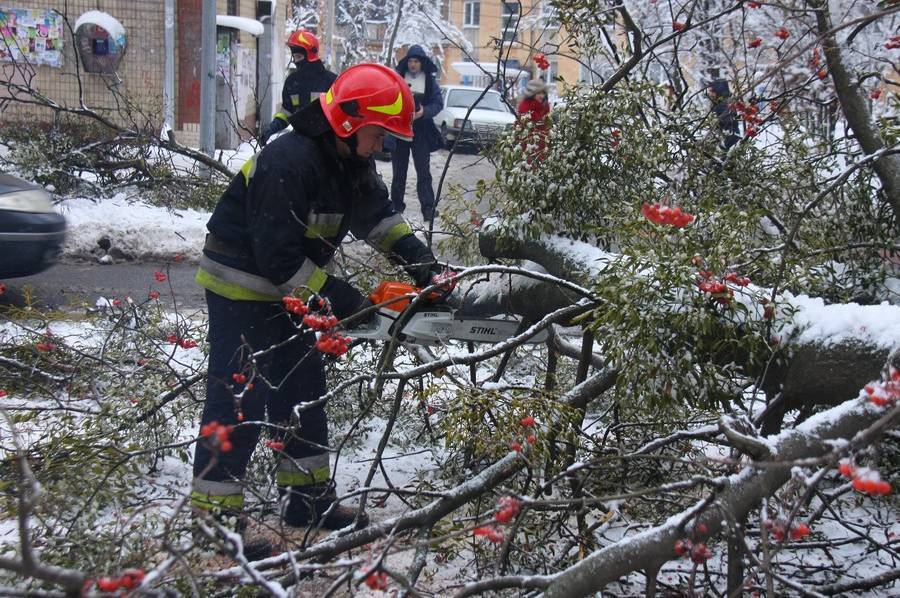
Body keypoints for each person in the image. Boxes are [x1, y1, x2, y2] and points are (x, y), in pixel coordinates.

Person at [191, 63, 445, 558]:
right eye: (380, 134)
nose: (384, 145)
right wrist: (347, 300)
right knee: (239, 399)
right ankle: (212, 520)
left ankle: (306, 500)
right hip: (243, 286)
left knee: (303, 390)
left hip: (287, 288)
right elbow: (278, 258)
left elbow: (378, 218)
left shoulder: (349, 160)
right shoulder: (289, 161)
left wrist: (421, 261)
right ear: (350, 123)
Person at [386, 45, 443, 221]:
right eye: (410, 61)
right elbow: (389, 99)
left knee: (423, 172)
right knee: (399, 171)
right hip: (400, 130)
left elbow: (438, 104)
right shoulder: (398, 79)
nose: (412, 64)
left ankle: (428, 208)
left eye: (416, 61)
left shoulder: (430, 82)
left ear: (422, 63)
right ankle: (396, 206)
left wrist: (423, 112)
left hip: (421, 131)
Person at [259, 29, 337, 146]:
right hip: (300, 143)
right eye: (294, 57)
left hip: (326, 145)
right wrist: (272, 128)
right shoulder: (292, 81)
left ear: (310, 55)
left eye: (299, 56)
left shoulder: (330, 81)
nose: (296, 61)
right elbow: (287, 112)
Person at [516, 79, 551, 159]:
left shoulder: (544, 107)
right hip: (528, 145)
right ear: (532, 94)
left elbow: (547, 125)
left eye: (543, 93)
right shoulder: (525, 107)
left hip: (543, 144)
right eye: (539, 93)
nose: (542, 96)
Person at [708, 79, 740, 150]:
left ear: (718, 90)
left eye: (711, 91)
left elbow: (727, 121)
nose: (710, 93)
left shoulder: (724, 103)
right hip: (725, 135)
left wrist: (716, 123)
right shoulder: (718, 102)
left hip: (729, 136)